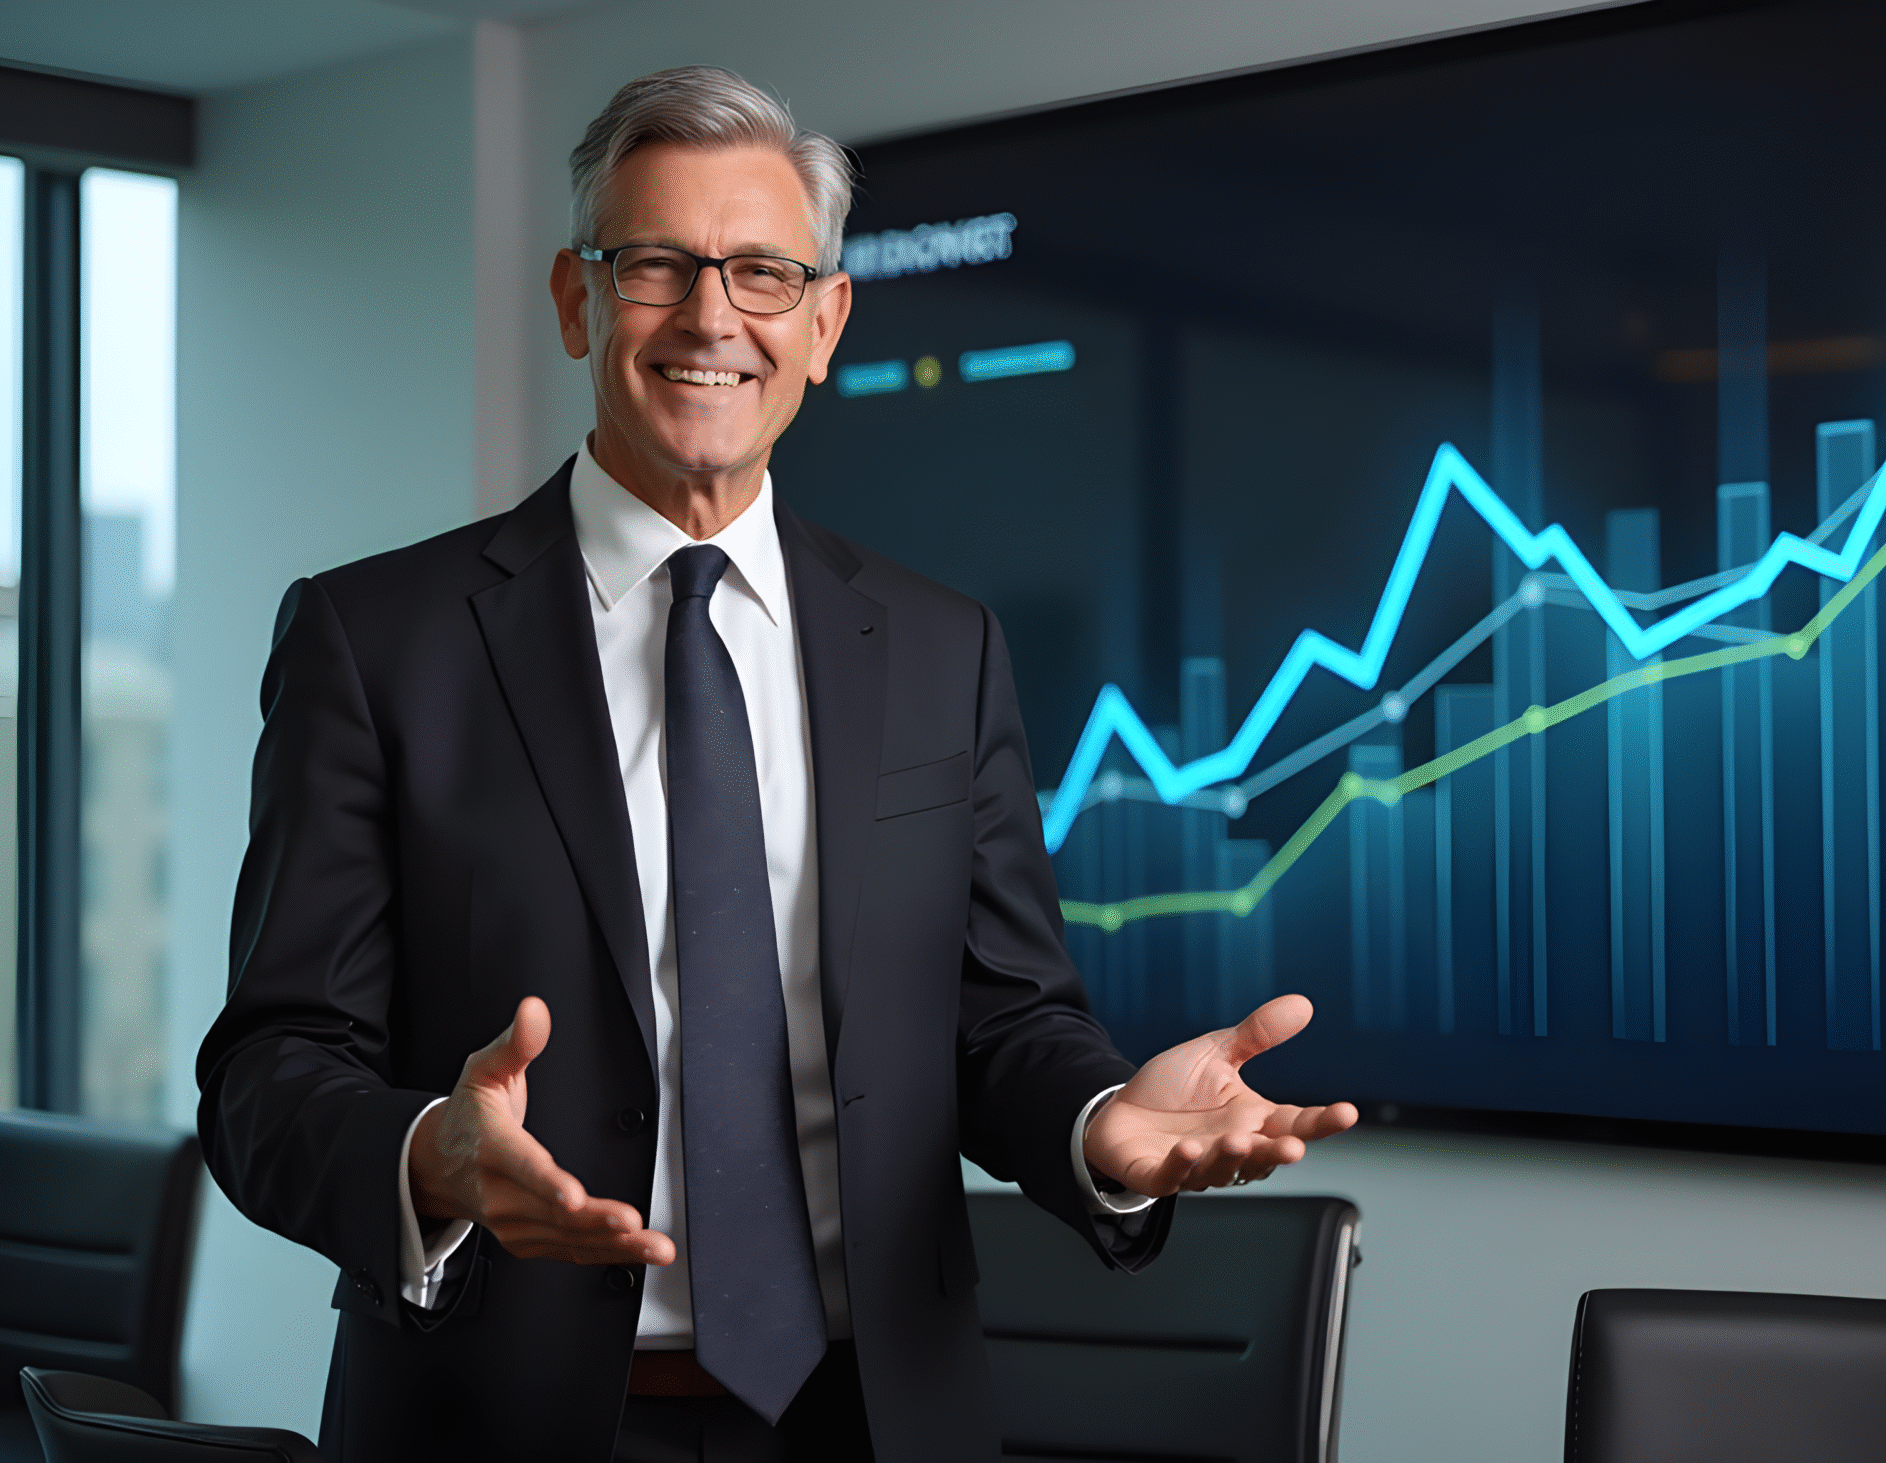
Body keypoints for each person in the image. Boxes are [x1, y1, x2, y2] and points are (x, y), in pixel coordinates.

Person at [196, 65, 1357, 1463]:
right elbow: (268, 1068)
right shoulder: (378, 641)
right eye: (655, 266)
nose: (710, 317)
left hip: (870, 1418)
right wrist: (423, 1157)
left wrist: (1101, 1120)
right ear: (576, 300)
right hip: (494, 1420)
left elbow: (999, 1022)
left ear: (824, 323)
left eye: (760, 272)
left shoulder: (942, 647)